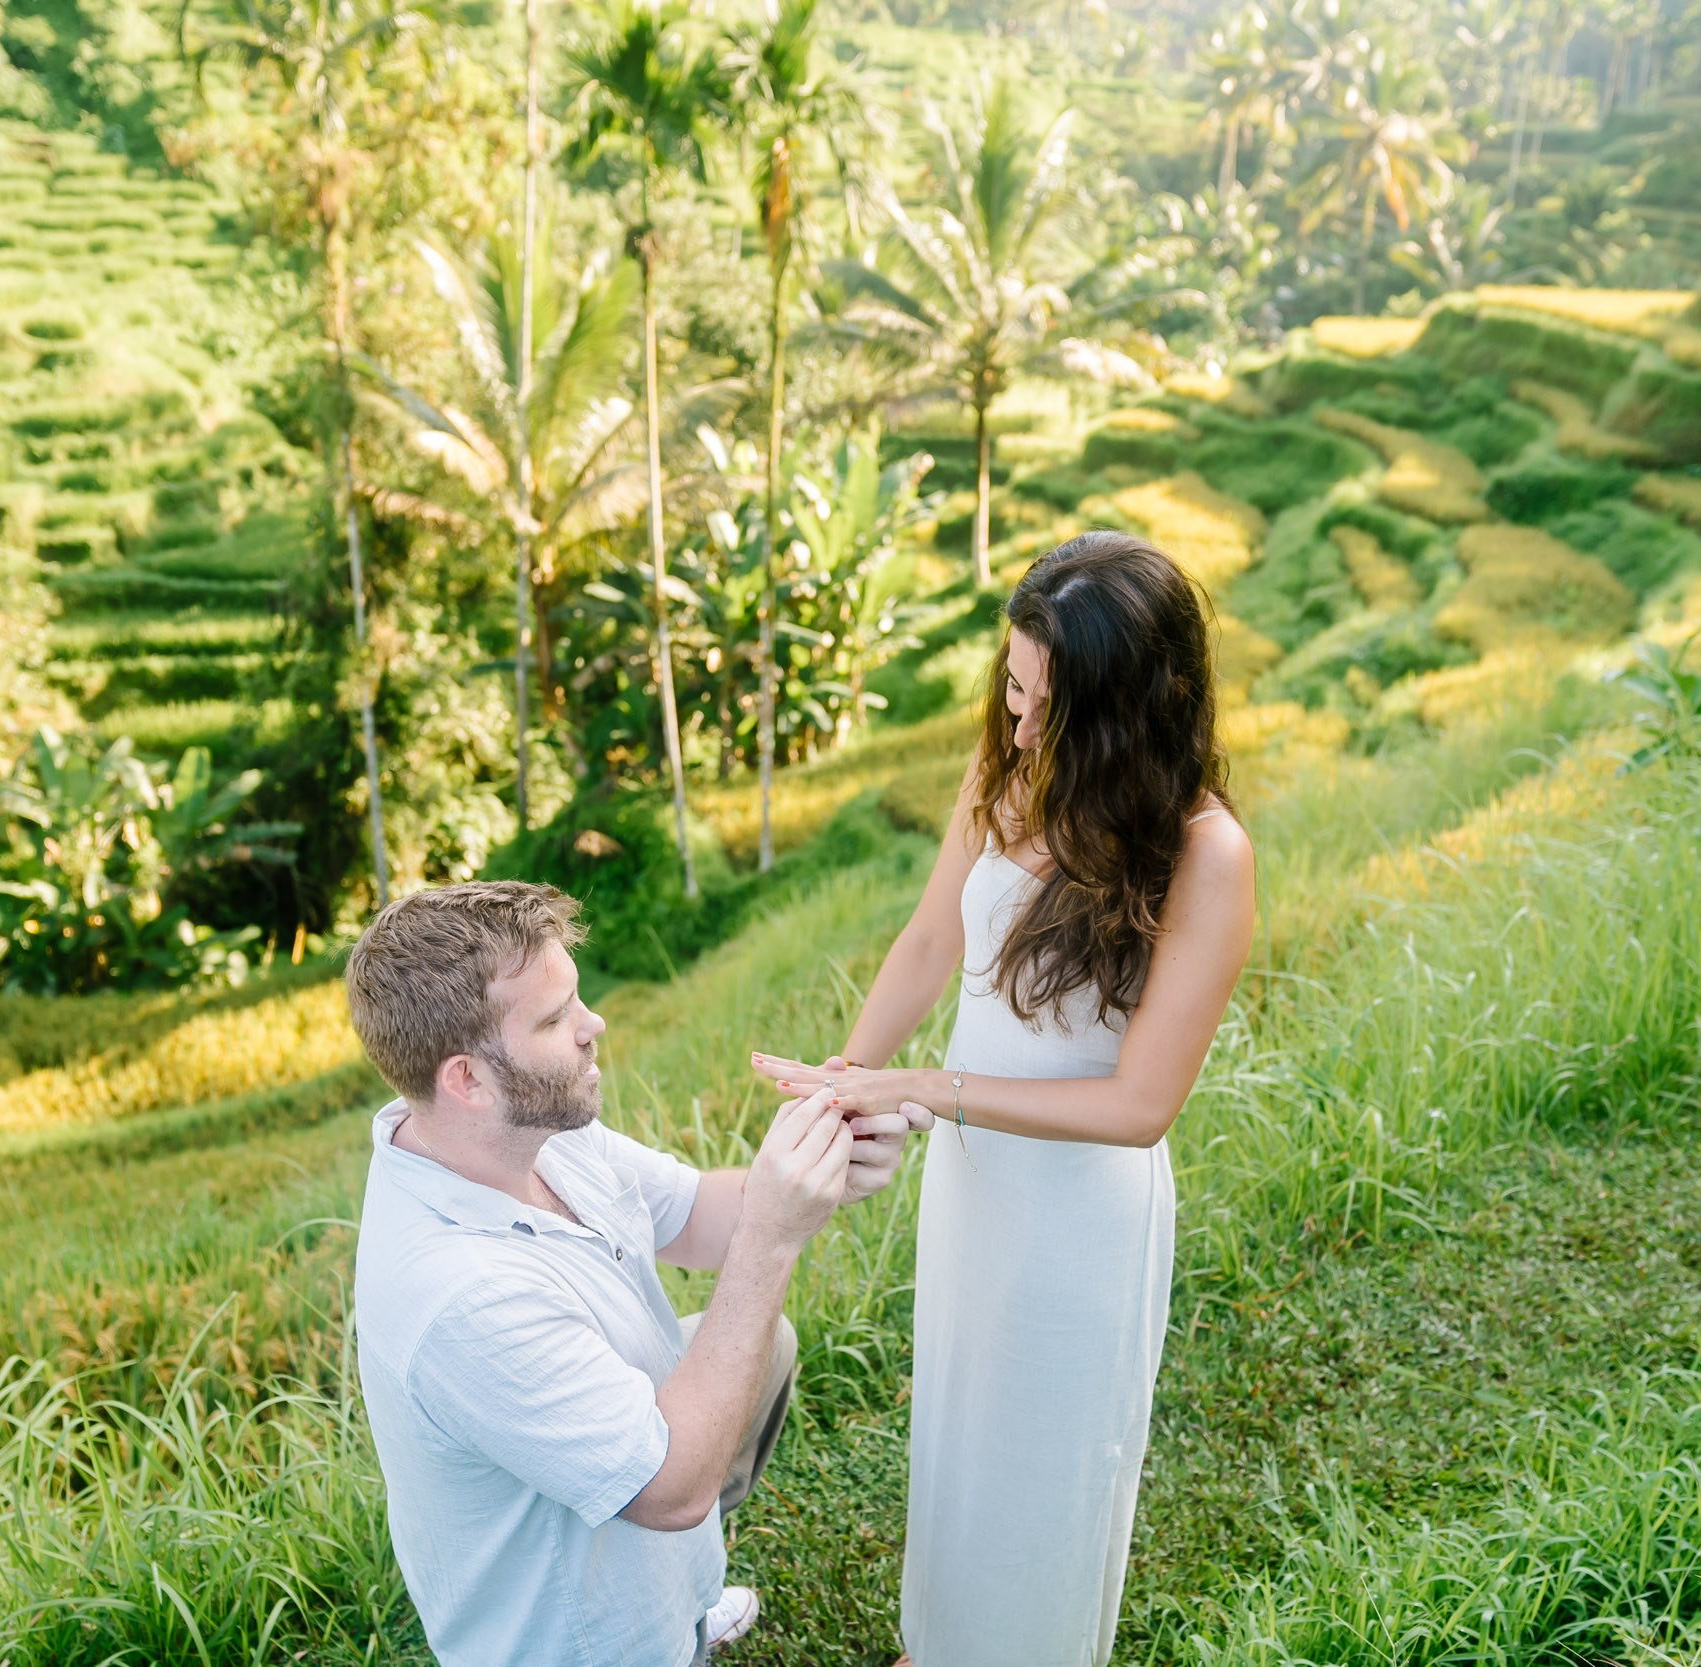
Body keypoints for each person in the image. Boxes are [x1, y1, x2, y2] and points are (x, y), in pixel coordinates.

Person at [754, 532, 1257, 1666]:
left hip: (1076, 1213)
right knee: (960, 1437)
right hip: (976, 1187)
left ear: (1129, 708)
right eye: (1013, 692)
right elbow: (933, 934)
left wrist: (932, 1085)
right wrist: (846, 1076)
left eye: (1049, 708)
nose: (1021, 729)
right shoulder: (1009, 770)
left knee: (1046, 1467)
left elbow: (1139, 1106)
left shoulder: (1204, 852)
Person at [347, 880, 917, 1667]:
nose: (594, 1026)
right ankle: (663, 1616)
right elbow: (674, 1489)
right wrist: (772, 1239)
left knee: (766, 1345)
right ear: (466, 1079)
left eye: (576, 999)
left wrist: (827, 1154)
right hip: (577, 1644)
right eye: (554, 1019)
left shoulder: (527, 1130)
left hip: (641, 1533)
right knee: (678, 1477)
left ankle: (683, 1594)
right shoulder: (457, 1294)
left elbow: (701, 1216)